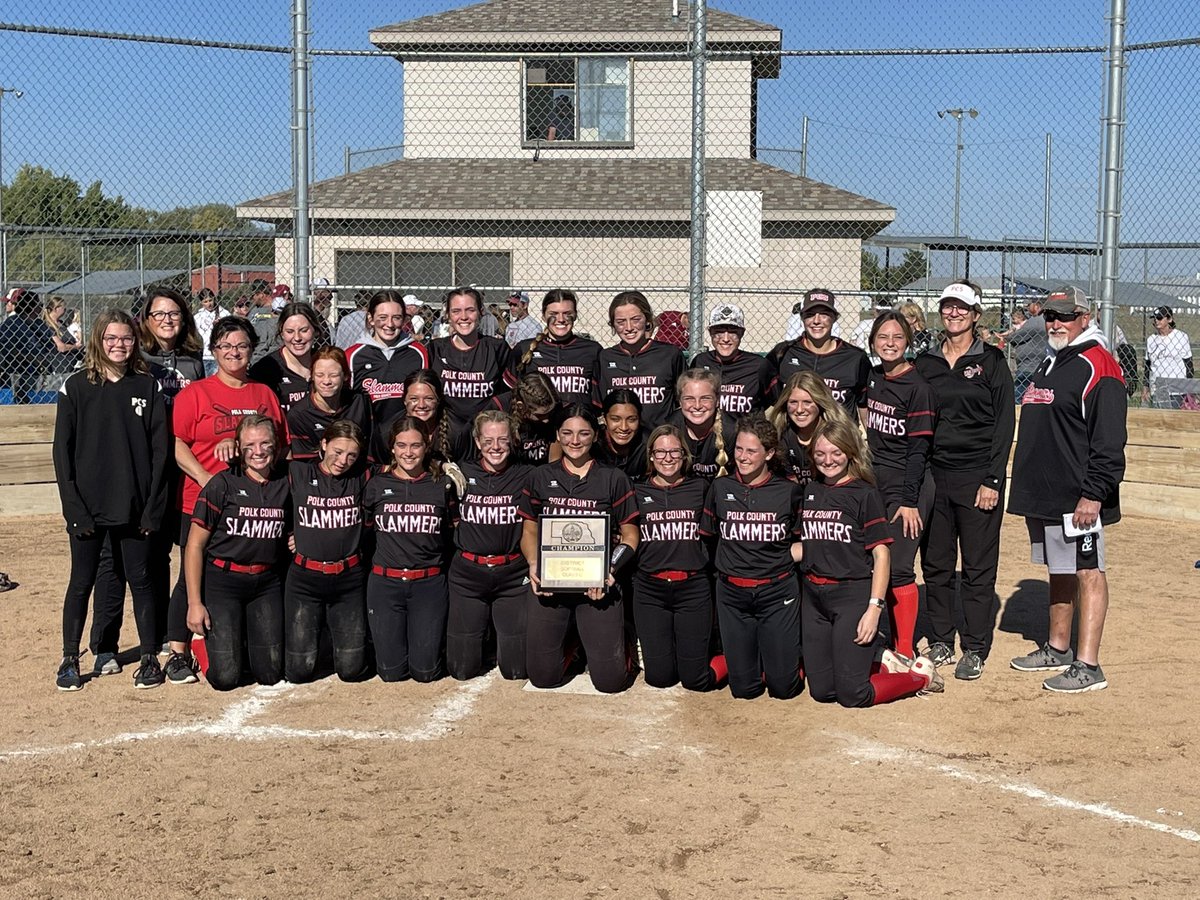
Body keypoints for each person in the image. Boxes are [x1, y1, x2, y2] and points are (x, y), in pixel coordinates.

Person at [1008, 285, 1127, 693]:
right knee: (1059, 570)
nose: (1055, 322)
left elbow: (1109, 442)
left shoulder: (1099, 365)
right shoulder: (1053, 360)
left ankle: (1089, 665)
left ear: (1085, 317)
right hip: (1048, 495)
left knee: (1089, 572)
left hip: (1079, 498)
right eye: (1050, 316)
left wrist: (1093, 494)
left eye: (1064, 315)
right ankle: (1058, 647)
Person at [164, 317, 288, 683]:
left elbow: (276, 444)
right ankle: (177, 652)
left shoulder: (263, 394)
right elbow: (177, 443)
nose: (234, 353)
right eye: (225, 346)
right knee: (192, 575)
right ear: (214, 351)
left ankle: (237, 640)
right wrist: (204, 478)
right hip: (201, 498)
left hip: (252, 502)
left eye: (242, 346)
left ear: (252, 350)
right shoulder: (197, 393)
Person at [89, 288, 205, 674]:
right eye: (159, 314)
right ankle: (107, 644)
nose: (168, 320)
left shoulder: (193, 361)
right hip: (145, 475)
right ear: (146, 320)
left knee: (186, 556)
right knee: (128, 562)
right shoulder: (138, 362)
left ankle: (172, 638)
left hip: (184, 473)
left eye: (175, 313)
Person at [52, 310, 170, 691]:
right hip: (88, 508)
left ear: (135, 342)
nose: (119, 345)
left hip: (135, 507)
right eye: (111, 338)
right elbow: (62, 453)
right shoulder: (75, 387)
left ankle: (150, 656)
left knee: (142, 578)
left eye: (127, 339)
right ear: (98, 341)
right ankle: (70, 658)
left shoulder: (147, 386)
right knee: (82, 582)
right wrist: (73, 507)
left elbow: (159, 451)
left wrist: (153, 506)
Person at [797, 419, 942, 706]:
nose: (828, 460)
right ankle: (882, 660)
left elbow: (881, 554)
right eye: (820, 454)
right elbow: (809, 545)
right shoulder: (811, 490)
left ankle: (918, 677)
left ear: (850, 452)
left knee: (853, 695)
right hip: (814, 597)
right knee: (823, 691)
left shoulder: (864, 493)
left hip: (851, 596)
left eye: (837, 452)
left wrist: (874, 609)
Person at [914, 280, 1015, 681]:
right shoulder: (926, 362)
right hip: (934, 477)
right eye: (947, 307)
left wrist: (993, 478)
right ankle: (941, 637)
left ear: (976, 314)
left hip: (978, 478)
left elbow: (1004, 423)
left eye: (962, 308)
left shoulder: (991, 362)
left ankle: (974, 647)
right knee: (936, 563)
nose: (953, 313)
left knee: (977, 566)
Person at [519, 403, 639, 693]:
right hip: (551, 584)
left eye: (583, 433)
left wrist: (609, 569)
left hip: (597, 586)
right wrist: (535, 565)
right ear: (558, 436)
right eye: (568, 433)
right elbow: (529, 531)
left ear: (595, 436)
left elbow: (630, 535)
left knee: (610, 683)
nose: (575, 441)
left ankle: (619, 642)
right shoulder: (538, 477)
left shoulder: (613, 478)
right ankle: (573, 641)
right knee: (542, 679)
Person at [699, 413, 804, 700]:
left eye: (752, 451)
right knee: (744, 690)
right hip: (732, 593)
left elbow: (805, 538)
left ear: (769, 453)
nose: (743, 457)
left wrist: (783, 558)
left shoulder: (789, 491)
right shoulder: (720, 488)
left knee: (783, 689)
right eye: (739, 449)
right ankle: (747, 661)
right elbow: (708, 538)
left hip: (776, 591)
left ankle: (791, 662)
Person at [184, 415, 289, 691]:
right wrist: (195, 603)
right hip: (224, 581)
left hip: (266, 582)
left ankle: (237, 642)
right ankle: (201, 646)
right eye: (250, 445)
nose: (258, 451)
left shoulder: (286, 481)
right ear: (239, 449)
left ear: (276, 445)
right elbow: (195, 546)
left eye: (265, 443)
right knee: (225, 678)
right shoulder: (222, 484)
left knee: (270, 674)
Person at [362, 416, 458, 682]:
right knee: (391, 674)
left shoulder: (442, 484)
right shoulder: (376, 485)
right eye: (401, 445)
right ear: (392, 447)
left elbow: (452, 532)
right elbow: (365, 532)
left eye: (415, 445)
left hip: (428, 584)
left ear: (427, 445)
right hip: (385, 583)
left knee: (425, 672)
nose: (408, 452)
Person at [865, 313, 936, 659]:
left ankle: (904, 649)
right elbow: (866, 414)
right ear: (873, 342)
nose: (889, 343)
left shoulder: (918, 387)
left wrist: (909, 501)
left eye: (897, 337)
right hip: (877, 479)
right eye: (882, 337)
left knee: (901, 566)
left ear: (908, 341)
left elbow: (918, 450)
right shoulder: (874, 376)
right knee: (875, 560)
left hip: (910, 484)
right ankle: (882, 640)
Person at [634, 424, 725, 691]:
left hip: (692, 588)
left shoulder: (702, 488)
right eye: (660, 452)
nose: (668, 458)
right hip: (650, 590)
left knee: (695, 680)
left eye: (674, 451)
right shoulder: (638, 492)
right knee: (659, 678)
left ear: (684, 455)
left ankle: (736, 660)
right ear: (651, 455)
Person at [446, 410, 533, 680]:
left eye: (503, 440)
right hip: (468, 574)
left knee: (516, 671)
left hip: (512, 574)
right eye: (488, 440)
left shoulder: (528, 475)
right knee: (462, 670)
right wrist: (440, 467)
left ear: (513, 440)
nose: (495, 447)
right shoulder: (462, 471)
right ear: (476, 441)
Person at [287, 419, 370, 683]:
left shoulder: (363, 475)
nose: (343, 460)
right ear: (323, 445)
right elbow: (258, 475)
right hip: (305, 579)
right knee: (299, 672)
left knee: (351, 671)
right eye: (337, 451)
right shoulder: (297, 471)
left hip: (348, 579)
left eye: (351, 455)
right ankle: (318, 641)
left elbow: (403, 468)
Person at [430, 286, 512, 455]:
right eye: (456, 311)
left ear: (481, 312)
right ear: (448, 315)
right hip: (446, 438)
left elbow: (511, 393)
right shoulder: (436, 350)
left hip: (487, 442)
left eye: (470, 310)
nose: (464, 317)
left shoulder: (496, 348)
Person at [768, 288, 870, 420]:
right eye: (810, 314)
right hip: (794, 437)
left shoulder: (855, 358)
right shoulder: (783, 352)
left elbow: (864, 406)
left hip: (838, 438)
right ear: (802, 318)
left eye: (824, 314)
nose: (817, 320)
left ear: (834, 318)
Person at [598, 291, 685, 427]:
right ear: (613, 324)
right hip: (622, 440)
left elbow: (683, 401)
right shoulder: (604, 357)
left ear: (647, 319)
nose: (629, 328)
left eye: (635, 320)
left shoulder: (670, 354)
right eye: (621, 322)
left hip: (660, 441)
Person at [347, 289, 430, 429]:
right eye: (382, 317)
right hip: (367, 438)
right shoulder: (353, 356)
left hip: (407, 438)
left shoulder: (418, 353)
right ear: (370, 319)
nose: (390, 324)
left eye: (396, 317)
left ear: (404, 319)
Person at [507, 289, 601, 408]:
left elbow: (599, 398)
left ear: (576, 314)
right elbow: (509, 393)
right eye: (553, 314)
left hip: (578, 423)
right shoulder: (524, 348)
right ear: (543, 316)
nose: (561, 319)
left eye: (567, 313)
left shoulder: (591, 350)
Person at [767, 371, 855, 486]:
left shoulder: (837, 434)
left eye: (807, 402)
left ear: (820, 402)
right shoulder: (781, 435)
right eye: (793, 402)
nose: (799, 409)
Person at [286, 346, 373, 461]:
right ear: (312, 376)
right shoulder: (299, 415)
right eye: (320, 375)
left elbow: (371, 447)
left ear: (345, 376)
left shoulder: (360, 402)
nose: (326, 381)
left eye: (334, 375)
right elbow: (305, 464)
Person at [692, 304, 777, 415]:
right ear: (710, 333)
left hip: (747, 430)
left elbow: (777, 402)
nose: (726, 338)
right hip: (709, 431)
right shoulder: (700, 362)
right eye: (719, 331)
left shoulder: (759, 365)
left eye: (733, 332)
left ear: (742, 333)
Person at [249, 301, 322, 415]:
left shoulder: (326, 363)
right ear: (281, 333)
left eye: (304, 330)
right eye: (290, 331)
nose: (297, 338)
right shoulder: (265, 369)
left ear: (315, 331)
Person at [668, 368, 734, 481]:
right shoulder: (670, 428)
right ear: (680, 401)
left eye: (705, 398)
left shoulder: (731, 431)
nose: (697, 405)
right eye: (689, 399)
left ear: (717, 400)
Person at [0, 288, 54, 403]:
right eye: (39, 304)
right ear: (32, 307)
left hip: (40, 373)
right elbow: (8, 349)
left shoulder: (40, 324)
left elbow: (50, 345)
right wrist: (34, 358)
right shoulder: (13, 323)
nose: (41, 307)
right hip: (17, 374)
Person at [1143, 305, 1193, 408]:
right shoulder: (1151, 340)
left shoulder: (1181, 337)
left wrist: (1189, 388)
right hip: (1158, 387)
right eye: (1155, 318)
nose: (1157, 321)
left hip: (1177, 388)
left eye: (1160, 318)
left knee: (1174, 419)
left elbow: (1189, 364)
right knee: (1160, 420)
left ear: (1169, 319)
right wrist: (1145, 388)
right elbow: (1148, 366)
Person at [998, 299, 1048, 401]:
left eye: (1029, 306)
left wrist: (1007, 338)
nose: (1027, 310)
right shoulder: (1042, 320)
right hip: (1035, 365)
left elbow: (1018, 336)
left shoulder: (1036, 321)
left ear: (1037, 306)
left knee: (1018, 396)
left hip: (1029, 367)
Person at [594, 389, 649, 480]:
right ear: (604, 418)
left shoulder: (648, 444)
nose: (624, 427)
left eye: (631, 420)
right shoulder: (594, 445)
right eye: (615, 419)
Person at [509, 372, 561, 465]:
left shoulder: (557, 409)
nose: (546, 420)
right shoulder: (499, 408)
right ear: (521, 406)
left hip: (544, 473)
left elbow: (554, 464)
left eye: (550, 413)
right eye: (540, 415)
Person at [43, 295, 83, 387]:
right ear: (56, 308)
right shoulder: (48, 326)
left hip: (71, 365)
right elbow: (61, 347)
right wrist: (76, 347)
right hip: (59, 368)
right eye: (63, 307)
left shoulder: (61, 323)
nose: (65, 310)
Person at [193, 288, 230, 376]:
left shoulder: (224, 314)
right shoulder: (197, 317)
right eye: (205, 302)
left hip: (218, 355)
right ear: (201, 303)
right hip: (204, 355)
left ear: (214, 299)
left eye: (210, 300)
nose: (209, 304)